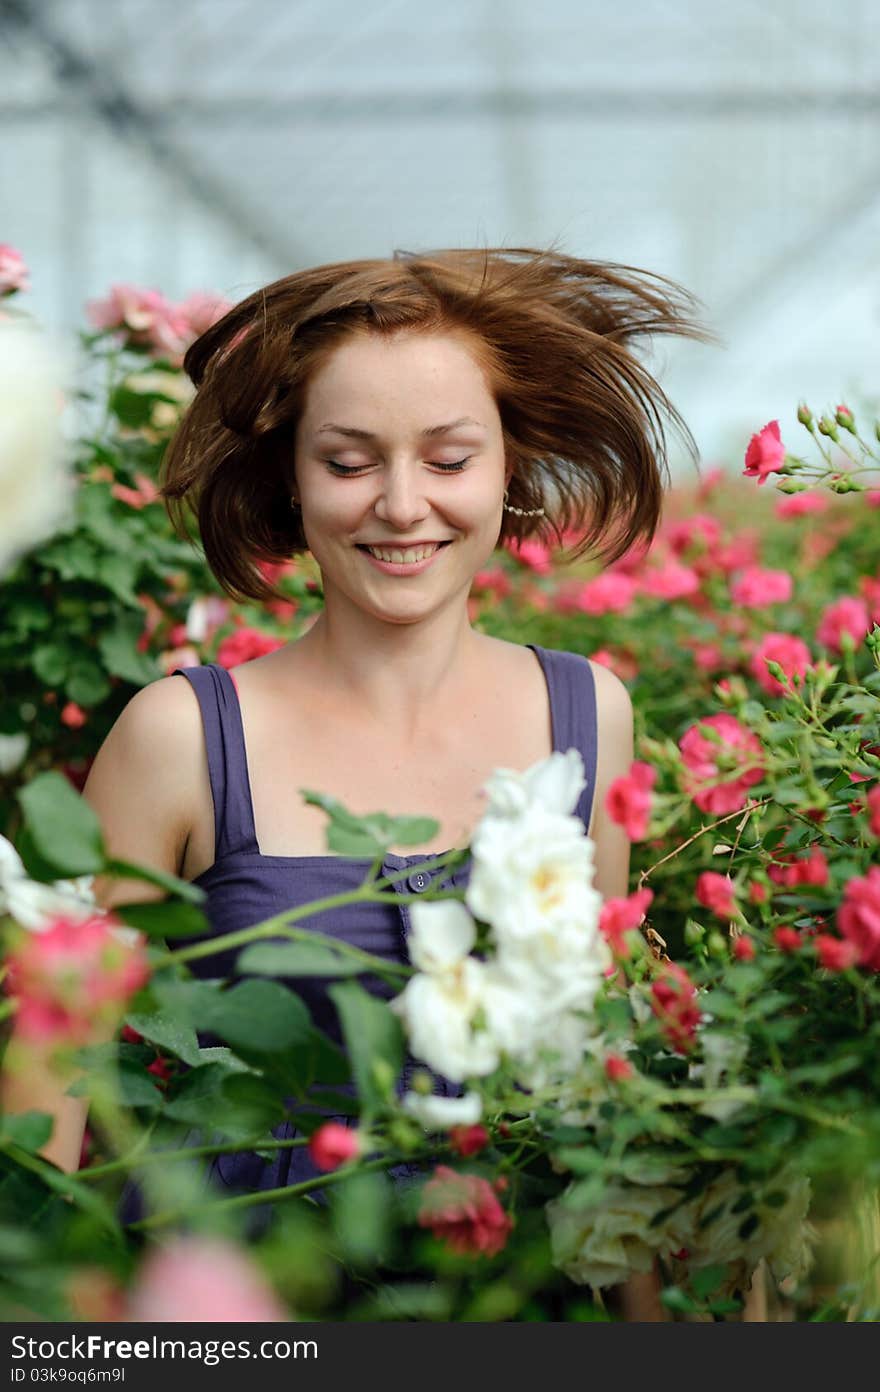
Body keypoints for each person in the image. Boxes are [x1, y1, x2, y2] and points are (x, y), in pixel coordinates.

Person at [8, 245, 712, 1318]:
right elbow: (54, 1091)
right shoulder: (183, 739)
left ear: (508, 470)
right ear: (289, 476)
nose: (400, 504)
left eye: (447, 458)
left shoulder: (587, 718)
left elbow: (592, 1065)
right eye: (347, 461)